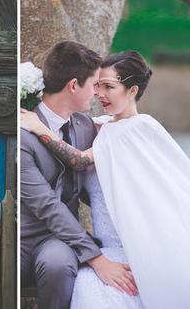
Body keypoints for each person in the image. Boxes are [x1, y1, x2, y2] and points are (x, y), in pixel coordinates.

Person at [21, 50, 190, 309]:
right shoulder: (103, 127)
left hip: (131, 242)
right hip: (104, 243)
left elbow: (80, 161)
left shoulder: (136, 129)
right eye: (97, 86)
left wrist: (39, 128)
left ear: (132, 90)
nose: (99, 93)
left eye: (108, 86)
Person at [21, 41, 138, 309]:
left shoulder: (87, 127)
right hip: (26, 238)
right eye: (95, 84)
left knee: (58, 264)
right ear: (74, 85)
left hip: (58, 242)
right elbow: (48, 206)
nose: (98, 93)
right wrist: (97, 259)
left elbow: (93, 185)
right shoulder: (24, 133)